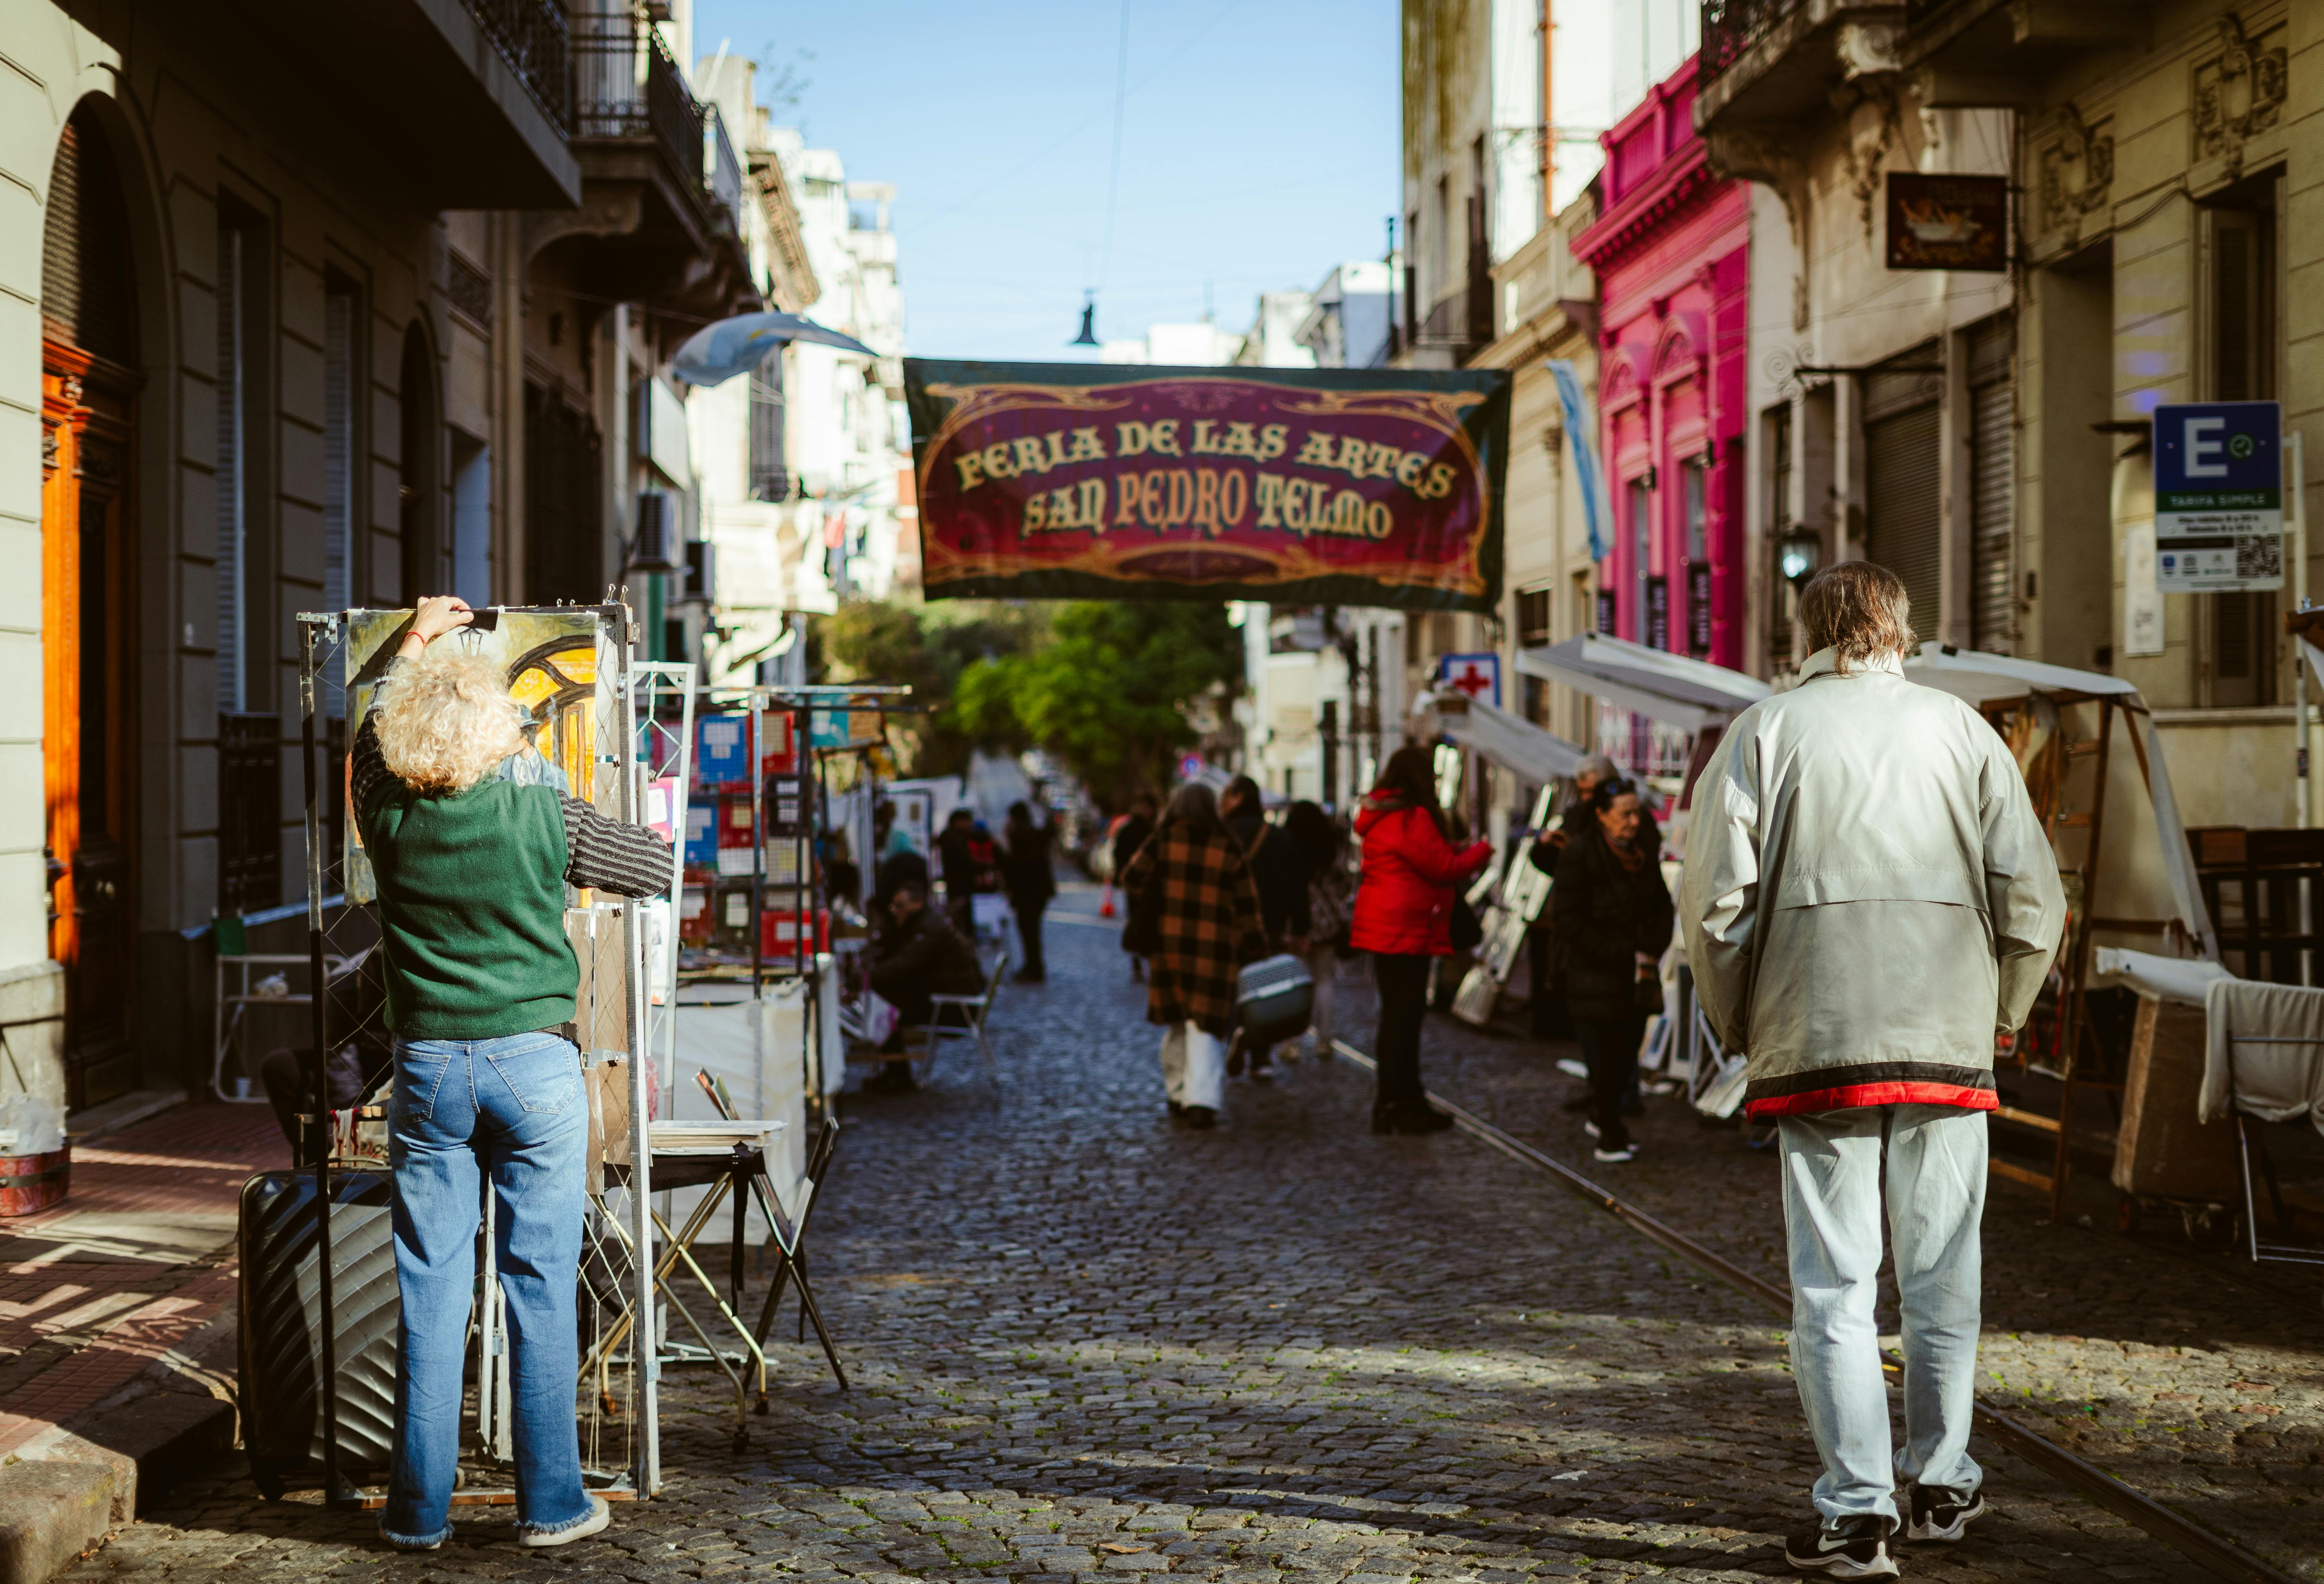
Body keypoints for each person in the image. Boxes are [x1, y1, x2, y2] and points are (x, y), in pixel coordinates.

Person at [1680, 562, 2065, 1579]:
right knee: (1944, 1275)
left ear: (1808, 632)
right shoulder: (1962, 731)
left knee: (1833, 1286)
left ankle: (1857, 1514)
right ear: (1902, 629)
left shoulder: (1764, 732)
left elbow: (1715, 906)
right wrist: (2002, 1015)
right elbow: (2031, 902)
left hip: (1817, 1034)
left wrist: (1744, 1024)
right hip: (1945, 1034)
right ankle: (1942, 1483)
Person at [356, 595, 672, 1552]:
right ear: (500, 724)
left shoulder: (390, 812)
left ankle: (417, 1514)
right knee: (540, 1286)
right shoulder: (540, 805)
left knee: (431, 1289)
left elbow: (366, 743)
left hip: (429, 1070)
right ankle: (551, 1504)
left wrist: (413, 643)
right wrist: (543, 785)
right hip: (536, 1064)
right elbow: (651, 867)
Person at [1348, 745, 1491, 1135]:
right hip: (1405, 929)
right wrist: (1483, 850)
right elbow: (1444, 867)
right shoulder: (1412, 816)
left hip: (1386, 926)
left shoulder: (1383, 814)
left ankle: (1395, 1099)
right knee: (1404, 1018)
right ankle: (1401, 1102)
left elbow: (1425, 857)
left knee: (1397, 1016)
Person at [1118, 783, 1267, 1130]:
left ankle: (1178, 1091)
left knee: (1177, 1019)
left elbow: (1131, 876)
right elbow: (1247, 902)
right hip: (1214, 947)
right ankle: (1202, 1100)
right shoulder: (1228, 844)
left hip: (1169, 943)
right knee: (1205, 1022)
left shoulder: (1164, 839)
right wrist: (1256, 944)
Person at [1548, 777, 1673, 1164]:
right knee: (1604, 1060)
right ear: (1601, 815)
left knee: (1624, 1059)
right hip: (1594, 975)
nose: (1633, 821)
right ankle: (1609, 1133)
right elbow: (1567, 918)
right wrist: (1617, 952)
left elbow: (1661, 906)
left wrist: (1652, 946)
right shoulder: (1581, 853)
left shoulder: (1643, 852)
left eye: (1637, 812)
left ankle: (1608, 1120)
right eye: (1625, 814)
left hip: (1637, 978)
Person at [1218, 775, 1309, 1076]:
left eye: (1227, 795)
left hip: (1227, 926)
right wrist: (1300, 928)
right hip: (1269, 925)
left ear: (1240, 797)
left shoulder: (1222, 835)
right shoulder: (1279, 837)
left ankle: (1236, 1033)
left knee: (1232, 986)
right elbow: (1299, 885)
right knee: (1262, 988)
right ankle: (1260, 1057)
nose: (1222, 802)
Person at [861, 878, 984, 1094]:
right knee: (887, 1000)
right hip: (944, 998)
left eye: (899, 906)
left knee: (886, 1005)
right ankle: (895, 1072)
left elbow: (905, 964)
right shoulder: (925, 924)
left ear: (917, 905)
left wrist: (865, 979)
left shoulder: (928, 929)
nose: (894, 911)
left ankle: (899, 1075)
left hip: (953, 1008)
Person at [1282, 800, 1351, 1061]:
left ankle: (1292, 1043)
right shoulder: (1329, 848)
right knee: (1324, 980)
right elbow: (1343, 884)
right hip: (1325, 923)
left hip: (1296, 922)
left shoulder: (1289, 847)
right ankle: (1325, 1041)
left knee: (1294, 983)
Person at [1000, 800, 1057, 983]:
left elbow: (1014, 866)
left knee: (1028, 931)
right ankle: (1034, 966)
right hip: (1039, 892)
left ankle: (1033, 968)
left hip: (1026, 893)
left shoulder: (1019, 835)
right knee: (1032, 932)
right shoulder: (1035, 833)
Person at [1112, 793, 1158, 981]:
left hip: (1147, 886)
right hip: (1138, 885)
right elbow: (1120, 855)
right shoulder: (1138, 830)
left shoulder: (1154, 830)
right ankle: (1139, 963)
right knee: (1136, 920)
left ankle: (1144, 961)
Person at [936, 808, 979, 933]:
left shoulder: (954, 837)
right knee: (961, 920)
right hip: (959, 886)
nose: (970, 825)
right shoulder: (954, 839)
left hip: (958, 886)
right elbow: (965, 862)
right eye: (968, 821)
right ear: (959, 822)